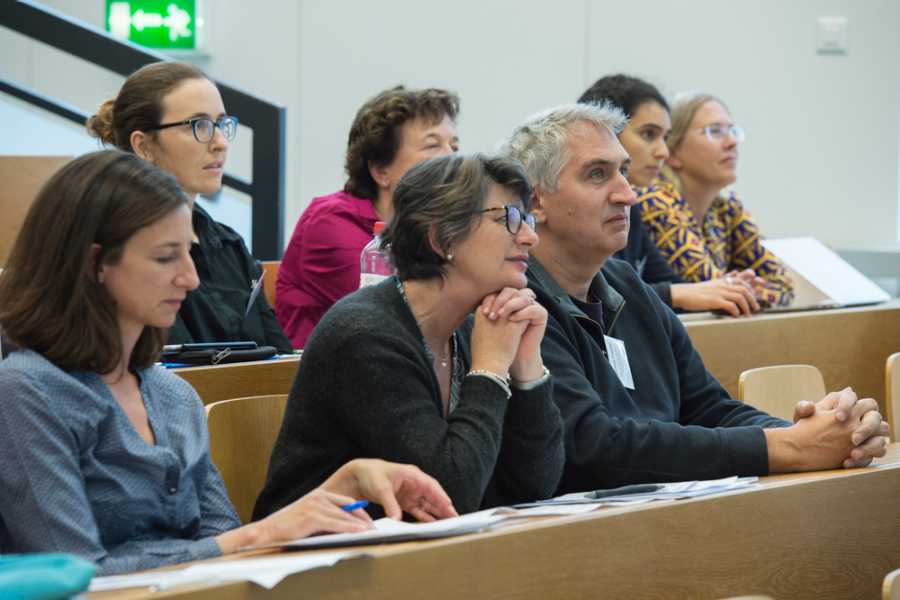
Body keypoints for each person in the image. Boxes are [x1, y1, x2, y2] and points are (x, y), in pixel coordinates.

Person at [0, 151, 456, 576]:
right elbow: (73, 575)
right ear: (95, 262)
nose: (191, 277)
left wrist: (343, 487)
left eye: (189, 252)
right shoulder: (27, 391)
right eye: (165, 257)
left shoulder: (171, 394)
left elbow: (225, 544)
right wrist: (258, 535)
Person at [501, 104, 888, 492]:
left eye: (623, 171)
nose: (626, 194)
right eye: (598, 174)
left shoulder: (627, 285)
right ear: (535, 203)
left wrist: (821, 436)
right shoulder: (516, 303)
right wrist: (789, 446)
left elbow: (707, 408)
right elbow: (597, 447)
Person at [254, 155, 564, 519]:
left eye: (526, 219)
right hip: (318, 562)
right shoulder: (364, 335)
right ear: (440, 237)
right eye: (508, 218)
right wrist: (490, 371)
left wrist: (527, 369)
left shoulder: (471, 328)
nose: (530, 236)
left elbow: (537, 485)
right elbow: (448, 497)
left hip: (414, 558)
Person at [86, 61, 292, 352]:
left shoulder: (229, 244)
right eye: (199, 126)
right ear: (144, 146)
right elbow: (172, 371)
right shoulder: (120, 247)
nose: (220, 142)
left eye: (221, 124)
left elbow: (278, 359)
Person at [275, 86, 460, 348]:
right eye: (432, 145)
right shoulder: (329, 222)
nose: (453, 158)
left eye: (454, 145)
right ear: (381, 170)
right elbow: (398, 315)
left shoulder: (432, 226)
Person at [578, 74, 760, 316]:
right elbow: (590, 292)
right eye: (649, 135)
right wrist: (683, 293)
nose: (663, 151)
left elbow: (671, 282)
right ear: (606, 133)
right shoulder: (647, 203)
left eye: (665, 137)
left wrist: (727, 289)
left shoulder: (631, 207)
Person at [636, 92, 794, 307]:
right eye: (715, 132)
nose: (732, 142)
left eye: (732, 131)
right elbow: (710, 290)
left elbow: (784, 287)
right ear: (672, 152)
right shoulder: (656, 202)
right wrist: (744, 290)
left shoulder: (728, 209)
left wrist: (745, 291)